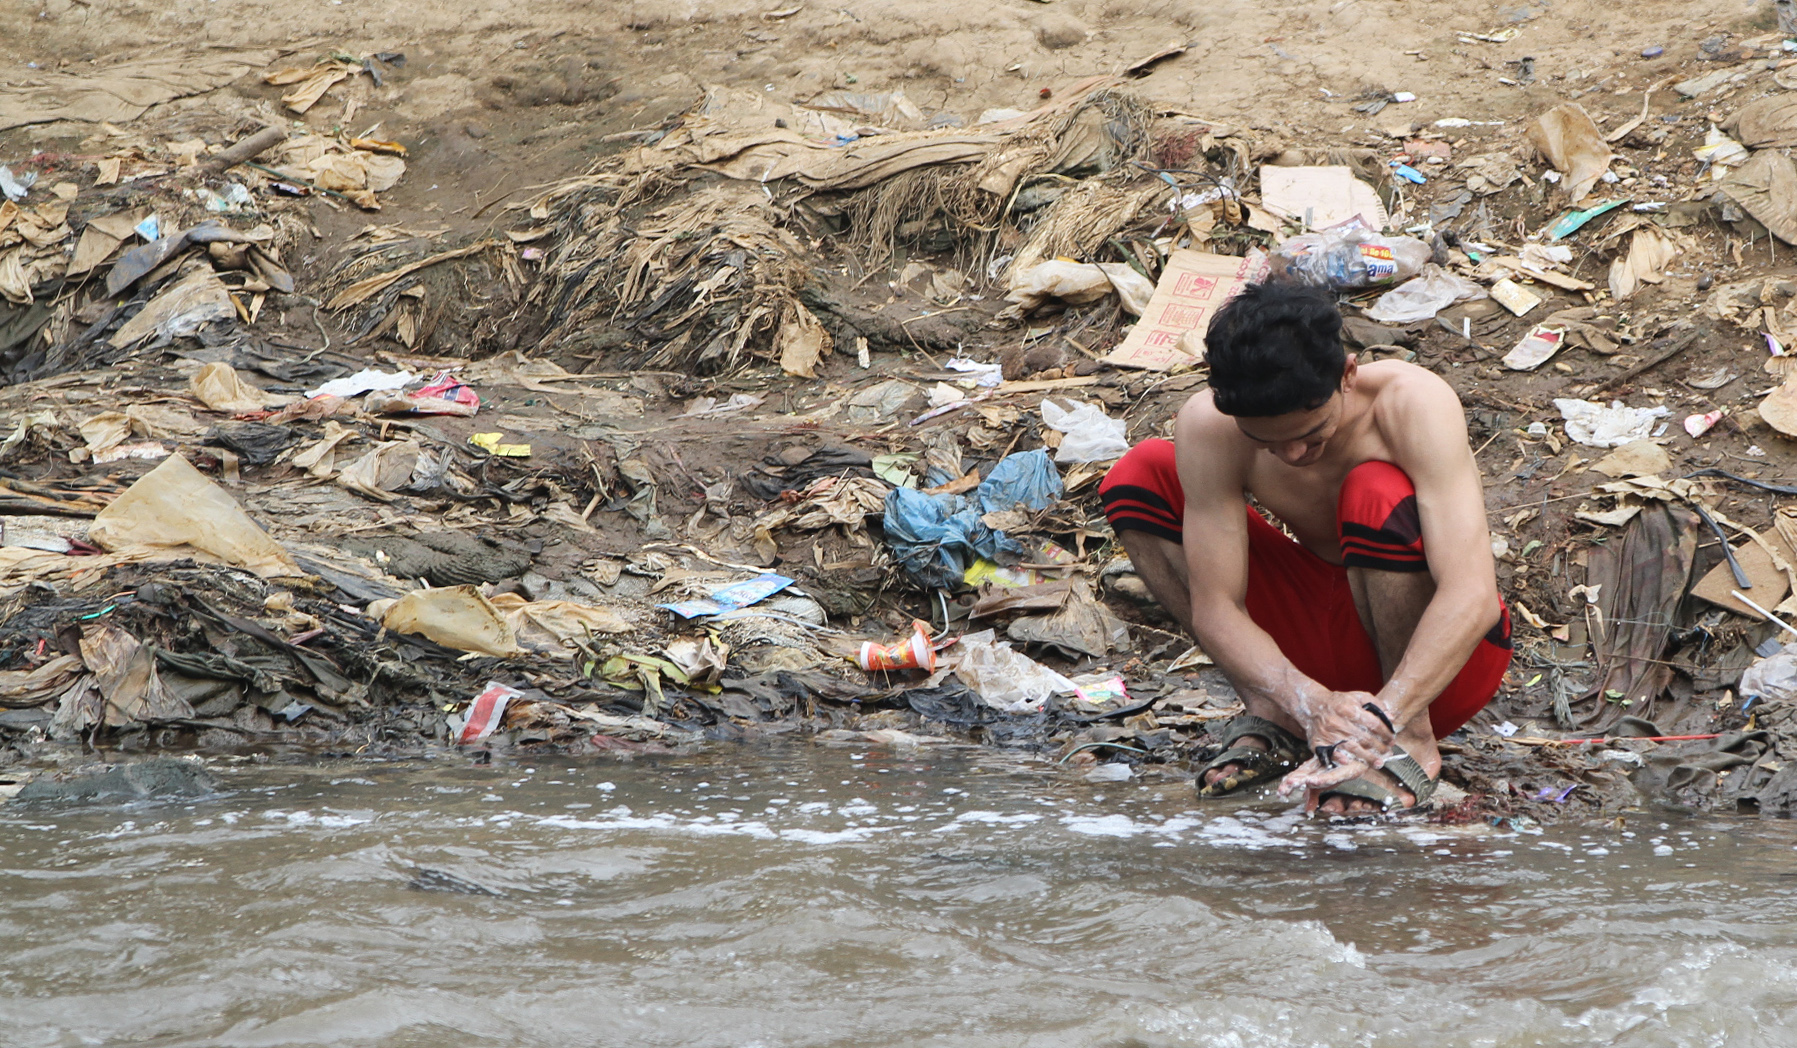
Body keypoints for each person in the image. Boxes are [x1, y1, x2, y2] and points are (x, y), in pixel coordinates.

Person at [1099, 280, 1510, 815]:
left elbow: (1472, 594)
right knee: (1141, 474)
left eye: (1312, 432)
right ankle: (1275, 714)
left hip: (1437, 666)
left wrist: (1382, 720)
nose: (1293, 454)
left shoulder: (1412, 403)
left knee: (1374, 490)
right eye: (1267, 442)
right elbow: (1217, 607)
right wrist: (1307, 701)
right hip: (1319, 647)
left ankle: (1408, 739)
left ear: (1348, 374)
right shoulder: (1211, 427)